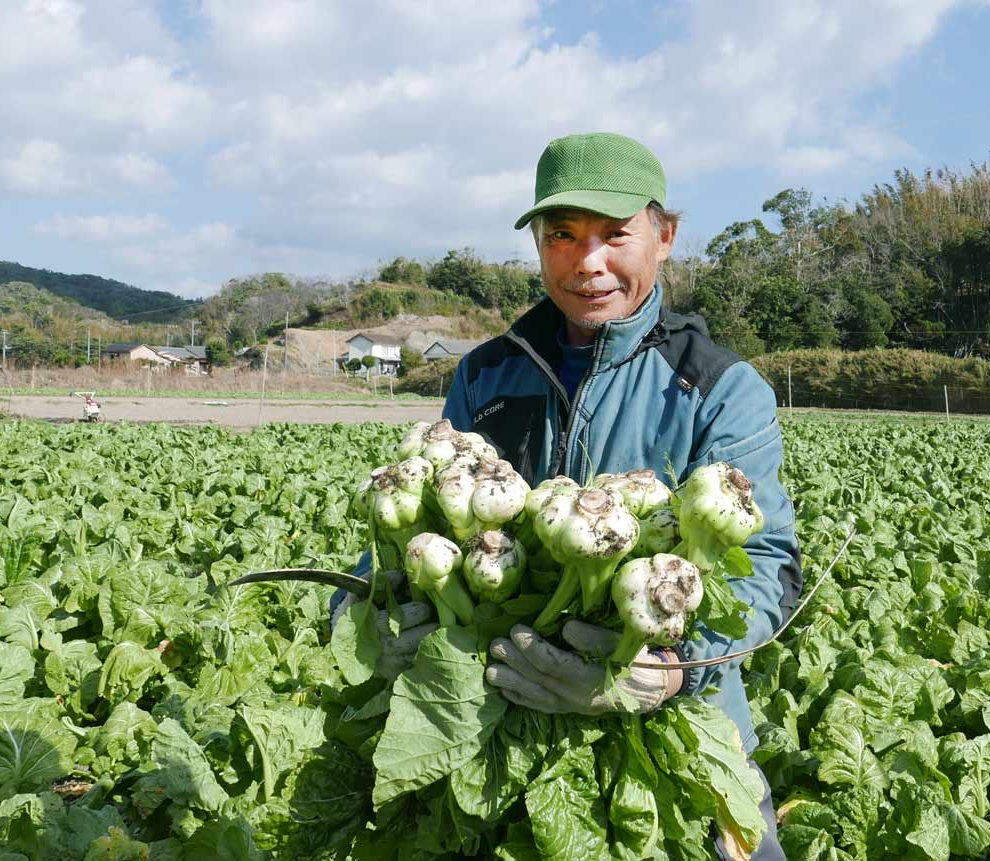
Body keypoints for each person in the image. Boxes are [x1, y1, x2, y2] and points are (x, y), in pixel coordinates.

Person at [337, 132, 799, 858]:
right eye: (562, 235)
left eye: (616, 234)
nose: (588, 263)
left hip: (673, 732)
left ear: (664, 235)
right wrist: (380, 616)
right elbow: (415, 527)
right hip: (490, 718)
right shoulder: (486, 375)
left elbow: (768, 562)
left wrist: (673, 669)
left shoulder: (719, 388)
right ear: (539, 244)